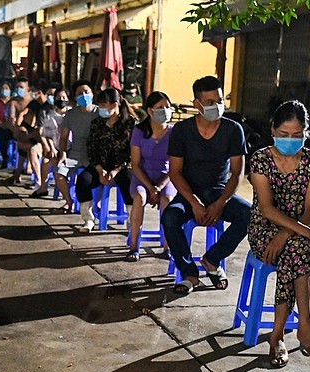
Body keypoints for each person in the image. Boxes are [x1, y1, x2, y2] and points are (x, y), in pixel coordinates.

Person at [247, 100, 310, 366]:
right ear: (273, 130)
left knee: (295, 249)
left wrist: (287, 234)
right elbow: (267, 209)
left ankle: (278, 337)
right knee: (300, 248)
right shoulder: (261, 159)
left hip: (295, 232)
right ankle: (303, 331)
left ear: (306, 132)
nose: (290, 140)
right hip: (263, 230)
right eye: (284, 134)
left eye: (297, 135)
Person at [163, 75, 251, 294]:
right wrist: (194, 203)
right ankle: (189, 274)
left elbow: (237, 173)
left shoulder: (233, 130)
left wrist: (221, 203)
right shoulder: (182, 131)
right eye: (210, 103)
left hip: (219, 192)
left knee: (250, 214)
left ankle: (212, 259)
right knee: (170, 217)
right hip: (188, 194)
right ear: (197, 104)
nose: (217, 106)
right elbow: (175, 172)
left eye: (219, 101)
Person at [74, 88, 134, 233]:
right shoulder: (97, 124)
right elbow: (92, 149)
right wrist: (100, 170)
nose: (100, 109)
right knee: (83, 180)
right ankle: (88, 219)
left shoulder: (130, 124)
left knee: (130, 183)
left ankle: (132, 220)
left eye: (103, 105)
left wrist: (115, 170)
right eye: (99, 105)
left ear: (115, 105)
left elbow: (132, 153)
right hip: (99, 165)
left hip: (122, 167)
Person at [127, 91, 176, 260]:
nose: (165, 111)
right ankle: (134, 247)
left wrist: (158, 188)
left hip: (166, 177)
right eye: (160, 107)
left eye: (168, 107)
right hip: (143, 177)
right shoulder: (139, 132)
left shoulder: (174, 132)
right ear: (150, 111)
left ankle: (168, 247)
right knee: (139, 197)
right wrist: (150, 188)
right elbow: (135, 164)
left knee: (167, 200)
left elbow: (175, 167)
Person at [55, 80, 97, 214]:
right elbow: (63, 137)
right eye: (80, 93)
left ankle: (97, 203)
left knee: (96, 177)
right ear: (75, 97)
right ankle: (69, 201)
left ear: (92, 93)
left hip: (94, 155)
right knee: (59, 172)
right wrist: (63, 154)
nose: (84, 95)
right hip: (75, 153)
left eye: (87, 92)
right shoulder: (71, 115)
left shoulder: (99, 113)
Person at [36, 83, 67, 200]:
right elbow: (46, 135)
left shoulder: (71, 114)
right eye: (59, 98)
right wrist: (52, 148)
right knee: (46, 161)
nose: (61, 100)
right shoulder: (50, 116)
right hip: (56, 148)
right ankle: (43, 186)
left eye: (64, 98)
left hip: (70, 149)